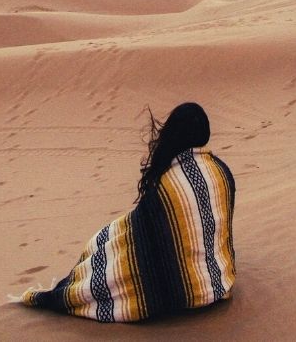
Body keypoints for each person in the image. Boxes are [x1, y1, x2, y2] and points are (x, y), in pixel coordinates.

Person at [19, 102, 236, 322]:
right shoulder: (222, 172)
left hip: (186, 298)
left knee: (106, 245)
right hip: (218, 285)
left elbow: (143, 242)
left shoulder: (168, 184)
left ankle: (69, 292)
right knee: (115, 235)